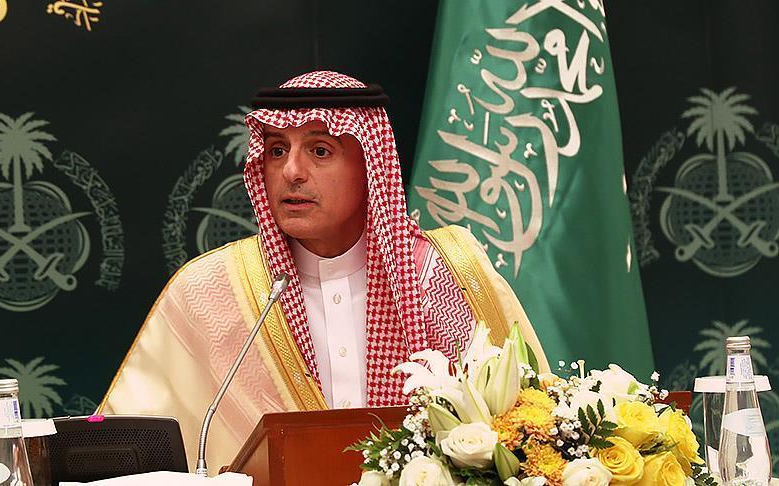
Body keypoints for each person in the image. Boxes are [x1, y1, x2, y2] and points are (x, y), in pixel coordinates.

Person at [99, 71, 548, 470]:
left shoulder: (444, 273)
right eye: (277, 151)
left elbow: (535, 433)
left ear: (371, 165)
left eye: (319, 150)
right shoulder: (210, 290)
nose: (291, 171)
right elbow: (124, 462)